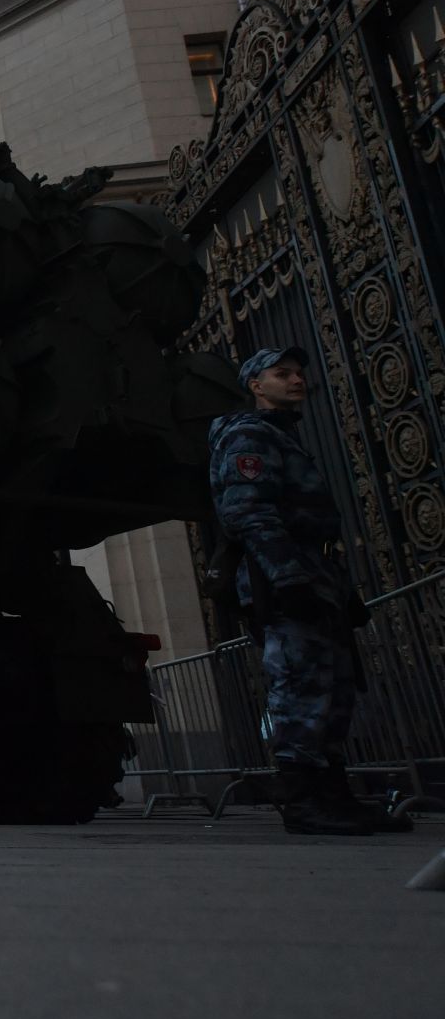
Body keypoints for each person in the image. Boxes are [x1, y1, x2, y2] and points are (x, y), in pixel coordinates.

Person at [208, 346, 406, 835]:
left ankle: (333, 795)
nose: (297, 381)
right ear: (256, 385)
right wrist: (288, 578)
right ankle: (302, 801)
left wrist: (337, 589)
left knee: (333, 689)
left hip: (315, 575)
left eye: (299, 373)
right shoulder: (249, 435)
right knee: (298, 686)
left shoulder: (284, 436)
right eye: (282, 374)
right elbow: (247, 512)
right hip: (284, 578)